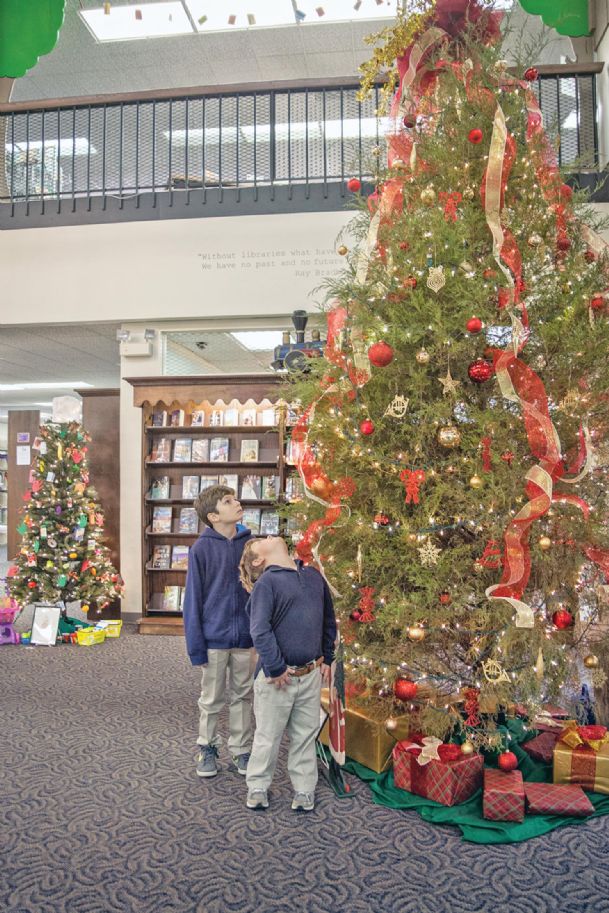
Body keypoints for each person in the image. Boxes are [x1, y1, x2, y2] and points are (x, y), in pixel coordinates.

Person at [238, 536, 337, 812]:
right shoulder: (267, 583)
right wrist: (275, 666)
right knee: (268, 735)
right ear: (259, 560)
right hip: (275, 679)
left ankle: (304, 789)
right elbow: (259, 629)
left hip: (310, 675)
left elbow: (328, 620)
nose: (269, 536)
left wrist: (328, 656)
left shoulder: (314, 576)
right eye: (262, 540)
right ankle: (257, 785)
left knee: (305, 734)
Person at [183, 484, 254, 778]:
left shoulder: (250, 545)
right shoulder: (201, 549)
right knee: (211, 698)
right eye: (228, 501)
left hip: (245, 639)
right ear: (213, 516)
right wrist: (196, 646)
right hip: (213, 639)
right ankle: (208, 746)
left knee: (242, 695)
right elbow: (193, 601)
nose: (236, 502)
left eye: (235, 498)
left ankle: (241, 749)